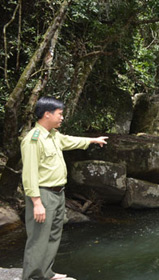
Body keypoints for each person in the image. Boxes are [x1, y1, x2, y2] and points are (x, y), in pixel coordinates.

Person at [21, 96, 108, 280]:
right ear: (47, 114)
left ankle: (46, 272)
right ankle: (31, 276)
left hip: (58, 193)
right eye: (60, 114)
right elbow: (29, 173)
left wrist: (92, 140)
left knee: (53, 234)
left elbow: (69, 141)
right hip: (43, 194)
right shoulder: (33, 140)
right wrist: (36, 202)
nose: (62, 118)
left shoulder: (53, 135)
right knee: (38, 238)